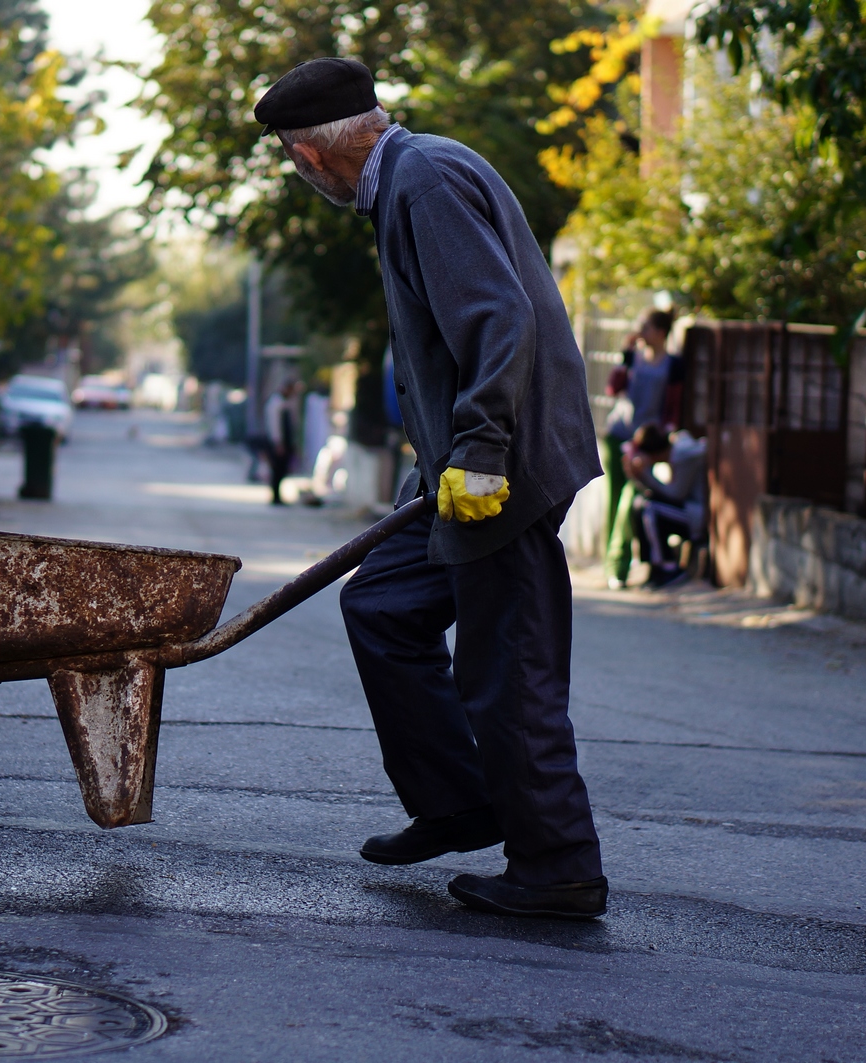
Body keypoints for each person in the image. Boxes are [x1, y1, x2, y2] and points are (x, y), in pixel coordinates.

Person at [254, 58, 606, 918]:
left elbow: (497, 318)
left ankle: (559, 866)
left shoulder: (424, 181)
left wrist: (481, 449)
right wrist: (439, 459)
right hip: (459, 466)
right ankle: (459, 801)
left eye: (295, 166)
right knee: (382, 606)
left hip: (502, 469)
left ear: (310, 156)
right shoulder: (413, 176)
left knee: (508, 667)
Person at [602, 309, 684, 589]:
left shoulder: (672, 364)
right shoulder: (633, 357)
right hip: (619, 435)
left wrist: (666, 440)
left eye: (645, 327)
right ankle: (614, 567)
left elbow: (673, 407)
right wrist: (624, 355)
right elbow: (612, 389)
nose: (640, 332)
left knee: (633, 497)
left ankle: (626, 562)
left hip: (646, 443)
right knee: (615, 500)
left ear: (661, 332)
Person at [623, 423, 707, 588]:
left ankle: (669, 567)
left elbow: (676, 494)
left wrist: (645, 474)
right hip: (685, 511)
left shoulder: (684, 455)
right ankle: (654, 568)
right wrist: (637, 477)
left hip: (696, 516)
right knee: (640, 504)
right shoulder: (676, 451)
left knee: (650, 508)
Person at [264, 379, 303, 505]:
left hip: (286, 442)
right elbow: (274, 425)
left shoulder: (287, 403)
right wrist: (278, 442)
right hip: (279, 442)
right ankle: (275, 496)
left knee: (282, 469)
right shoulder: (276, 403)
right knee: (277, 469)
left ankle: (277, 496)